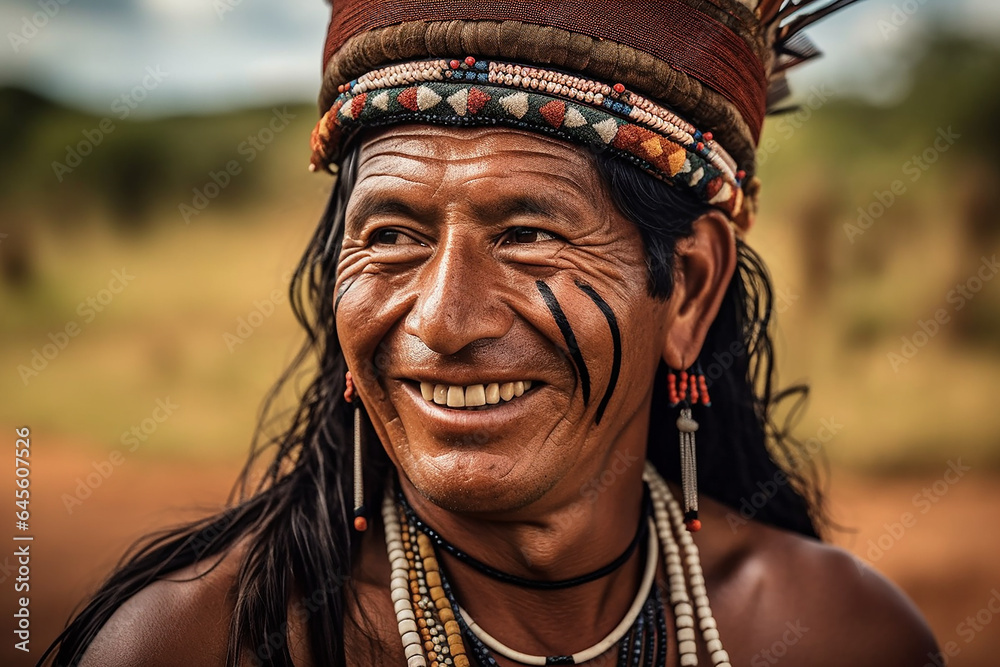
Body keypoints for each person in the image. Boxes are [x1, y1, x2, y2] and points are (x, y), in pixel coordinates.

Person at [43, 1, 939, 666]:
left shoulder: (837, 635)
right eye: (392, 236)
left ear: (690, 289)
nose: (441, 320)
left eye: (529, 235)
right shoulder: (199, 647)